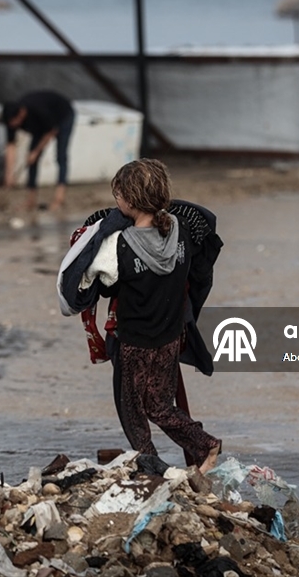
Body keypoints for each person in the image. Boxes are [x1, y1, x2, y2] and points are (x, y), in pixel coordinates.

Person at [57, 159, 223, 472]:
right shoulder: (182, 232)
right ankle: (206, 444)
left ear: (130, 201)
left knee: (132, 412)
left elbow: (95, 283)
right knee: (160, 406)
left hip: (132, 342)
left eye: (118, 196)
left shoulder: (117, 244)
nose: (116, 202)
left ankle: (152, 470)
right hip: (170, 336)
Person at [2, 90, 75, 211]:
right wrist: (9, 174)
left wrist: (36, 152)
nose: (14, 125)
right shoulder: (11, 119)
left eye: (15, 122)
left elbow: (52, 130)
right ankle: (31, 199)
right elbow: (10, 146)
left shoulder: (37, 110)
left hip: (62, 116)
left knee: (60, 156)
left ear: (21, 113)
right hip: (41, 127)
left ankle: (59, 198)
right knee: (31, 159)